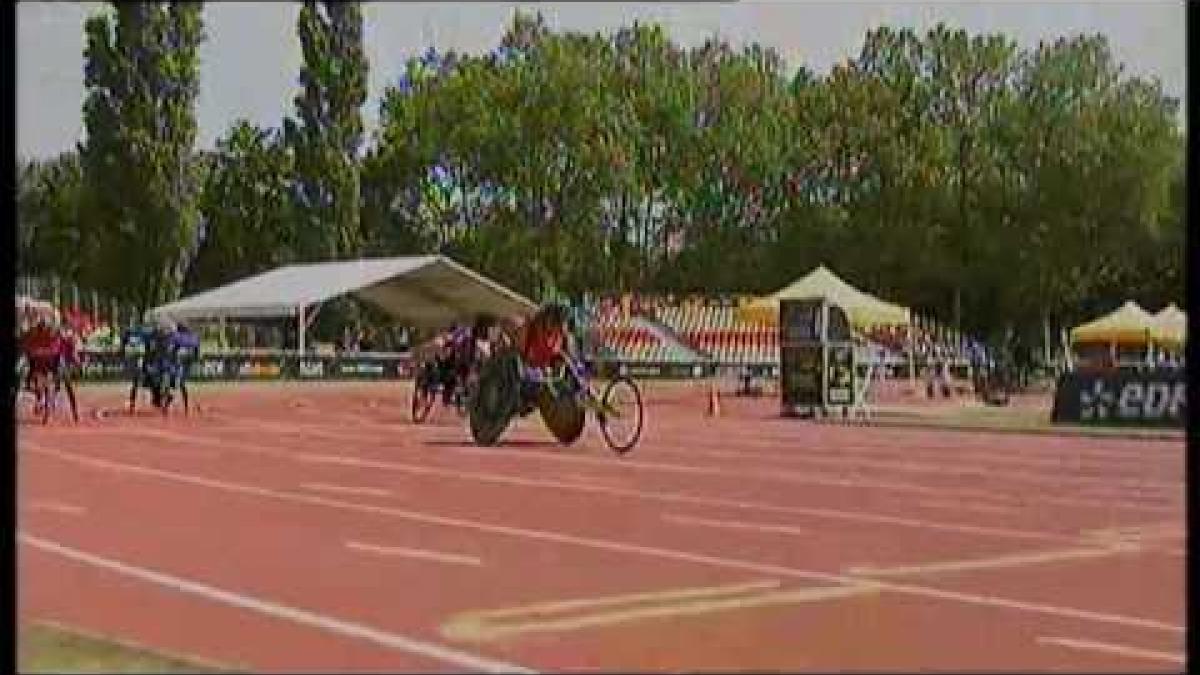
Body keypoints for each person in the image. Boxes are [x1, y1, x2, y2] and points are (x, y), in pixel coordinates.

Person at [19, 315, 80, 421]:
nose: (44, 329)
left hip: (52, 360)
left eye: (45, 326)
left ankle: (73, 411)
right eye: (42, 326)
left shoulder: (55, 333)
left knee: (66, 382)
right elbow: (26, 346)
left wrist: (74, 356)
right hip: (41, 361)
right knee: (36, 378)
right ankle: (41, 398)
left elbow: (68, 342)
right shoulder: (33, 334)